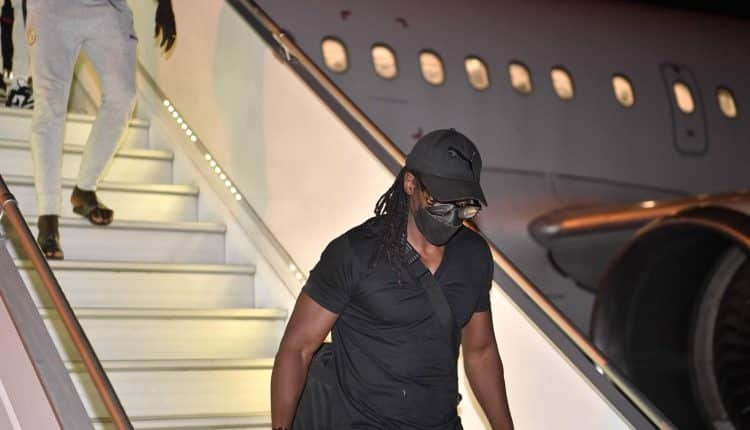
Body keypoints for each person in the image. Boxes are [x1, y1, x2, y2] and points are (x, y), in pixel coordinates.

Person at [271, 129, 515, 429]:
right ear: (410, 183)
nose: (452, 216)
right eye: (440, 201)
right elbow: (297, 349)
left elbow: (481, 352)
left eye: (464, 205)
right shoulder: (356, 253)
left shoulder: (473, 255)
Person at [27, 0, 176, 259]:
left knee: (123, 96)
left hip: (108, 7)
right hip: (51, 8)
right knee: (50, 106)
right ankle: (47, 216)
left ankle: (84, 190)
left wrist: (165, 3)